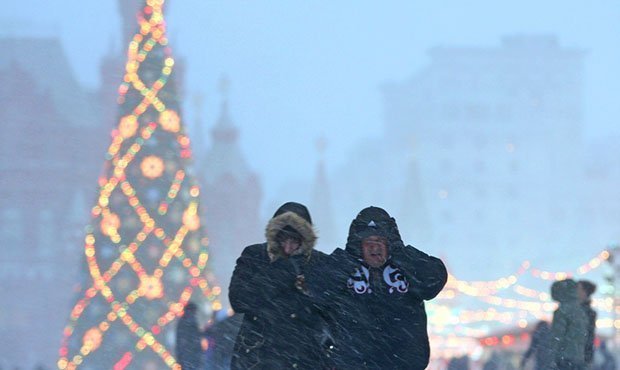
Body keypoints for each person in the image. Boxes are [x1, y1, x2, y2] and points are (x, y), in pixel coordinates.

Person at [312, 206, 447, 369]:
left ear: (390, 243)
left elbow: (433, 282)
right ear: (358, 245)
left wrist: (401, 254)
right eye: (368, 242)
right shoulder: (342, 267)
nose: (374, 248)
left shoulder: (406, 265)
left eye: (380, 241)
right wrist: (347, 259)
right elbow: (316, 290)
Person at [228, 202, 329, 369]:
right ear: (275, 237)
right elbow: (238, 300)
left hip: (304, 357)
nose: (287, 248)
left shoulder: (319, 263)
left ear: (304, 240)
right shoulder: (255, 256)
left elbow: (329, 307)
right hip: (259, 354)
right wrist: (281, 271)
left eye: (294, 241)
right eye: (283, 240)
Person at [549, 279, 588, 370]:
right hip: (578, 358)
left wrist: (552, 356)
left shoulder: (562, 311)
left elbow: (557, 336)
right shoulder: (580, 310)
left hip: (564, 359)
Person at [175, 302, 204, 370]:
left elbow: (179, 340)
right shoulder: (191, 321)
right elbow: (195, 337)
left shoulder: (182, 321)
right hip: (191, 354)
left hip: (186, 354)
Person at [577, 280, 597, 368]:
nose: (576, 291)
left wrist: (586, 357)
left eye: (579, 289)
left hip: (580, 356)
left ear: (585, 292)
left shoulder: (587, 312)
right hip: (580, 356)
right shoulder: (579, 310)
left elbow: (589, 336)